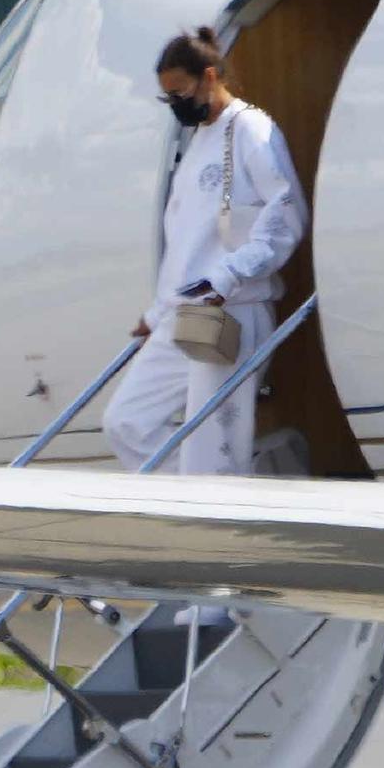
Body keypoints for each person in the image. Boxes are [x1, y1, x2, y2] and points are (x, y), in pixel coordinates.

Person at [102, 27, 308, 486]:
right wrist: (157, 312)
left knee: (213, 446)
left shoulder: (250, 128)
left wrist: (228, 276)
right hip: (182, 312)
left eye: (179, 92)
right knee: (127, 422)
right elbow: (186, 241)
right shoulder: (198, 142)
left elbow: (286, 212)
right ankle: (219, 494)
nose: (175, 104)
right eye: (166, 97)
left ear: (209, 76)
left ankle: (219, 505)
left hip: (229, 310)